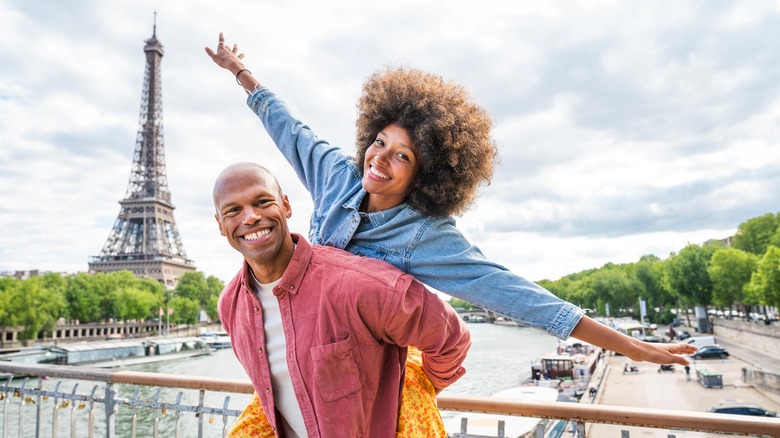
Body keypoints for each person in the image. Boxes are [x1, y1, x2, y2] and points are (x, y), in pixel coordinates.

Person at [205, 33, 697, 435]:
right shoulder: (337, 175)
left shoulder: (425, 236)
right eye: (379, 142)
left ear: (426, 174)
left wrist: (630, 346)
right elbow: (289, 129)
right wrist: (240, 72)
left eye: (402, 156)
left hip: (371, 371)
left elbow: (516, 295)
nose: (379, 159)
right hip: (316, 356)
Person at [213, 162, 471, 437]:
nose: (250, 217)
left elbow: (451, 339)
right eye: (233, 210)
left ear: (286, 206)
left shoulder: (360, 284)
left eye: (262, 202)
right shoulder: (231, 306)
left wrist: (412, 391)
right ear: (220, 225)